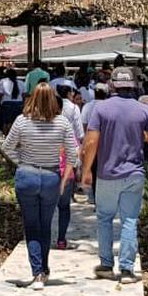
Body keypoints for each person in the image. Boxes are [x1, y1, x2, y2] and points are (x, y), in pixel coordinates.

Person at [82, 67, 148, 284]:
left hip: (107, 175)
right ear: (134, 86)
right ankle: (126, 270)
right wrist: (141, 135)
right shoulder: (143, 110)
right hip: (134, 173)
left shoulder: (100, 109)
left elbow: (91, 142)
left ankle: (106, 265)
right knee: (129, 220)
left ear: (112, 85)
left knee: (105, 219)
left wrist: (87, 170)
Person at [0, 83, 79, 290]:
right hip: (52, 177)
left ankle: (37, 272)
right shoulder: (62, 123)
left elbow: (6, 147)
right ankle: (44, 269)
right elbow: (73, 156)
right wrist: (63, 181)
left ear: (31, 98)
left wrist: (22, 162)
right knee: (46, 225)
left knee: (31, 226)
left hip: (27, 175)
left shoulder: (21, 121)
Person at [55, 84, 85, 249]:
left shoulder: (41, 126)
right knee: (64, 207)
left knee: (45, 209)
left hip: (46, 173)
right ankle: (61, 239)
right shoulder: (72, 112)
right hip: (66, 171)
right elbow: (79, 136)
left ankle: (43, 238)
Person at [0, 67, 25, 133]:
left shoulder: (3, 82)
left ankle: (6, 136)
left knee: (6, 122)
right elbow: (24, 95)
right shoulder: (21, 83)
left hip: (6, 103)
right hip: (19, 103)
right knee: (16, 122)